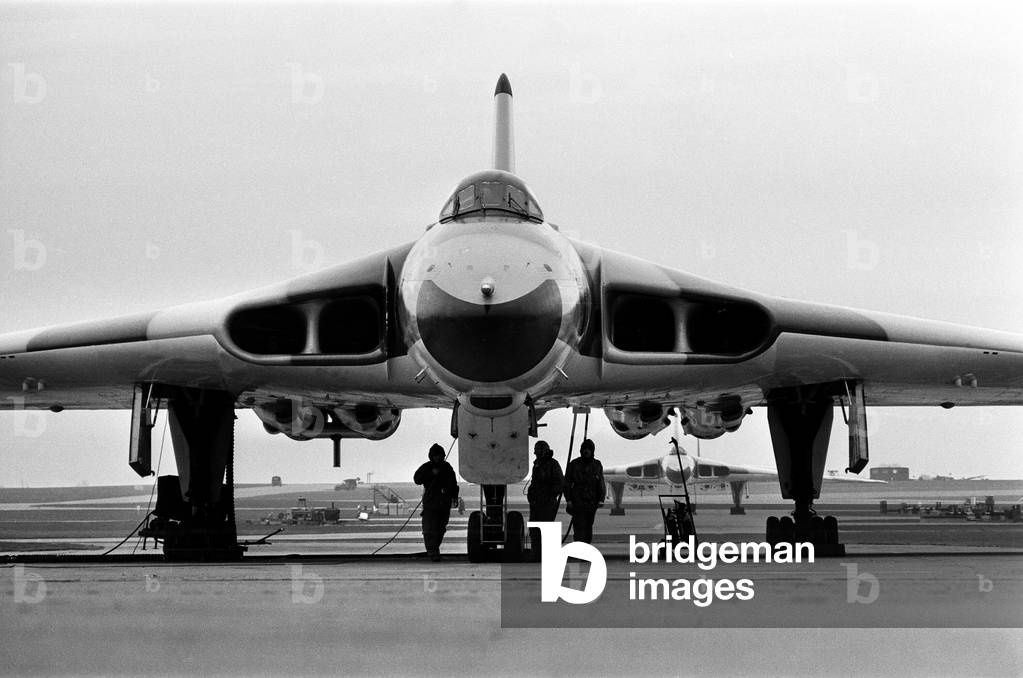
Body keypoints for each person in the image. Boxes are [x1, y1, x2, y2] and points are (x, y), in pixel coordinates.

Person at [413, 443, 459, 561]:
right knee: (429, 530)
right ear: (432, 456)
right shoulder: (427, 467)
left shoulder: (447, 467)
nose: (438, 458)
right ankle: (432, 552)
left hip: (443, 504)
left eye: (440, 455)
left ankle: (433, 550)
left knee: (440, 529)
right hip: (431, 504)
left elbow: (453, 484)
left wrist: (454, 497)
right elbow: (417, 479)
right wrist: (431, 474)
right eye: (435, 456)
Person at [563, 438, 605, 544]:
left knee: (588, 526)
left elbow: (601, 483)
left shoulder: (597, 464)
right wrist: (568, 500)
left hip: (591, 501)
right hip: (577, 501)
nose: (586, 451)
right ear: (581, 450)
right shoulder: (574, 464)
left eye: (588, 449)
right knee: (578, 526)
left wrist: (601, 499)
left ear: (592, 451)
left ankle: (586, 548)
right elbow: (567, 483)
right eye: (584, 449)